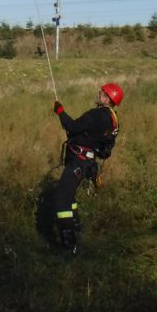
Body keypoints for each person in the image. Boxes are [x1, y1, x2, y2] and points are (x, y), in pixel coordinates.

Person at [52, 82, 123, 253]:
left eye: (101, 92)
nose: (99, 94)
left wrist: (60, 111)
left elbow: (72, 126)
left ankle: (69, 245)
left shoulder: (97, 115)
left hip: (79, 161)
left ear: (107, 97)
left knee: (61, 197)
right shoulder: (113, 119)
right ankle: (76, 228)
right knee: (69, 196)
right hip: (87, 162)